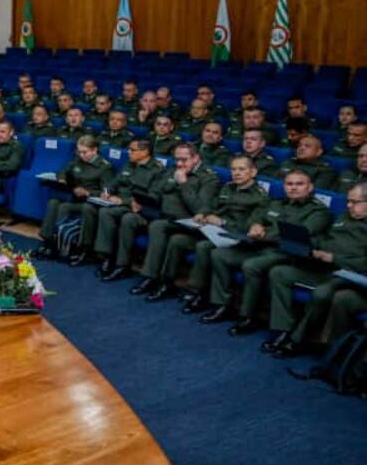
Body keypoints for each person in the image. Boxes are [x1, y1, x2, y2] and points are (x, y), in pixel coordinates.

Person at [200, 169, 333, 335]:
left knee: (252, 265)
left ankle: (248, 316)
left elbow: (298, 235)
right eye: (289, 184)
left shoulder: (319, 212)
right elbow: (256, 218)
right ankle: (221, 305)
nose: (293, 188)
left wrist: (264, 233)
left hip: (286, 253)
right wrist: (255, 225)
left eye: (299, 184)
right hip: (258, 246)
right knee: (219, 254)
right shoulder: (276, 203)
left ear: (310, 187)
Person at [263, 182, 367, 357]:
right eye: (349, 201)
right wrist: (310, 245)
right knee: (279, 272)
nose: (349, 206)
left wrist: (334, 258)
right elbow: (328, 239)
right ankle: (281, 330)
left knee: (322, 293)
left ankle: (297, 340)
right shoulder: (344, 217)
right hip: (323, 266)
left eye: (355, 202)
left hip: (349, 275)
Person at [159, 156, 270, 310]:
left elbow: (250, 226)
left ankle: (198, 291)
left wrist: (223, 222)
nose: (236, 173)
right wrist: (203, 214)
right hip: (213, 232)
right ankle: (166, 282)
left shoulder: (259, 197)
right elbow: (212, 206)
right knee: (178, 239)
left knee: (204, 247)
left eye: (242, 169)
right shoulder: (227, 187)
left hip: (235, 239)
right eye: (234, 169)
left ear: (253, 172)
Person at [128, 143, 221, 297]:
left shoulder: (208, 179)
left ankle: (150, 276)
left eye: (184, 160)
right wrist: (140, 201)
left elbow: (200, 209)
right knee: (133, 218)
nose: (179, 164)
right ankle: (165, 282)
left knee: (158, 227)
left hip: (188, 223)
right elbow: (157, 193)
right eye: (176, 159)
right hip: (164, 216)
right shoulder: (171, 171)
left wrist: (183, 184)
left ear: (196, 158)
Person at [33, 135, 115, 263]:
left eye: (85, 152)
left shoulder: (105, 167)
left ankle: (82, 248)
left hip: (90, 203)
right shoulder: (77, 160)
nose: (81, 155)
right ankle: (49, 241)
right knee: (54, 202)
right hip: (73, 197)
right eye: (79, 151)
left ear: (94, 150)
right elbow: (62, 171)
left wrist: (88, 192)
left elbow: (106, 192)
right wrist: (62, 177)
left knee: (66, 207)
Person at [95, 139, 166, 280]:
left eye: (132, 150)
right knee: (105, 212)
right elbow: (115, 182)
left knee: (127, 219)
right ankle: (107, 257)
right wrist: (107, 191)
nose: (128, 152)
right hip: (122, 204)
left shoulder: (157, 170)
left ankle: (122, 265)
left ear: (145, 152)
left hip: (141, 210)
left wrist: (124, 201)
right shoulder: (129, 164)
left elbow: (152, 198)